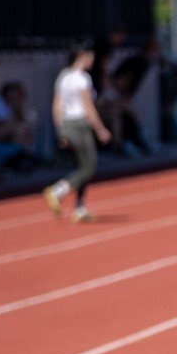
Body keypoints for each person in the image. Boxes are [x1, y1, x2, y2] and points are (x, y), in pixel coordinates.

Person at [42, 45, 111, 223]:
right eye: (90, 56)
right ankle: (58, 190)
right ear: (82, 56)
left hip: (66, 124)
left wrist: (60, 130)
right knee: (89, 166)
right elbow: (88, 107)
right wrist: (100, 128)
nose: (93, 60)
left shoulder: (63, 76)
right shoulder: (82, 78)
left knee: (83, 166)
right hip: (80, 124)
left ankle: (79, 207)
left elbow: (56, 106)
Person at [0, 80, 37, 151]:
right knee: (20, 129)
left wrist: (19, 107)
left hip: (10, 131)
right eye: (11, 92)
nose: (13, 95)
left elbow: (23, 119)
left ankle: (21, 153)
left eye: (16, 93)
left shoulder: (15, 105)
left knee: (23, 129)